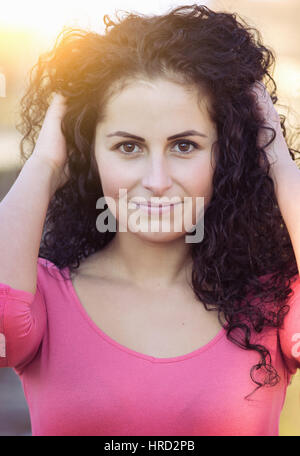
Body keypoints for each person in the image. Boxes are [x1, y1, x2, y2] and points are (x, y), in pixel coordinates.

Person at [0, 4, 300, 436]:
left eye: (184, 146)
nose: (157, 182)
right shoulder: (43, 294)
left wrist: (275, 160)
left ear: (226, 155)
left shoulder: (272, 302)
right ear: (88, 154)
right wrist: (45, 163)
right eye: (128, 147)